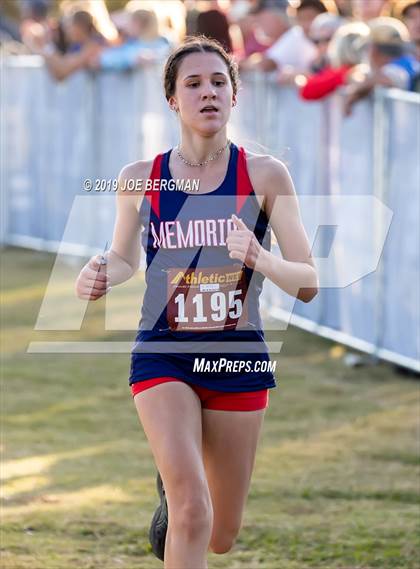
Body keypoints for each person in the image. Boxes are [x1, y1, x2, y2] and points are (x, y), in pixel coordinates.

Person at [75, 36, 318, 568]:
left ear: (234, 97)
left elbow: (307, 282)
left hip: (237, 359)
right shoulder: (139, 178)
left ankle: (175, 486)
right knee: (192, 511)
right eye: (193, 84)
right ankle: (178, 489)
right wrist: (99, 272)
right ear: (173, 101)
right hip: (163, 353)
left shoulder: (265, 175)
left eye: (218, 82)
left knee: (220, 534)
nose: (208, 92)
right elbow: (123, 257)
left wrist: (261, 257)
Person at [343, 17, 417, 114]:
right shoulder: (405, 62)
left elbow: (385, 78)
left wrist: (356, 93)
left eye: (367, 48)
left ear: (373, 50)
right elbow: (355, 75)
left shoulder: (400, 67)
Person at [300, 21, 370, 100]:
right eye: (316, 41)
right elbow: (307, 91)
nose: (322, 45)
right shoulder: (340, 71)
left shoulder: (344, 71)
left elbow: (307, 91)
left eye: (328, 39)